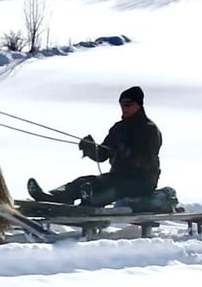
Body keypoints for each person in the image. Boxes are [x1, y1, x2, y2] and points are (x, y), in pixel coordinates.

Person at [27, 86, 162, 207]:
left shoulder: (149, 129)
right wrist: (90, 148)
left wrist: (124, 150)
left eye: (128, 104)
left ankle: (90, 202)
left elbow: (147, 160)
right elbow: (102, 154)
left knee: (112, 188)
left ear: (139, 105)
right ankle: (52, 197)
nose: (123, 108)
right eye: (121, 104)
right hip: (118, 176)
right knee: (83, 182)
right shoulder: (118, 128)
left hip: (142, 181)